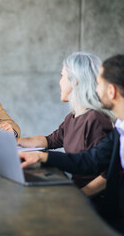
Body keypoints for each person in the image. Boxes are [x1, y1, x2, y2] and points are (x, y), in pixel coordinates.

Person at [19, 54, 124, 234]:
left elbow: (104, 173)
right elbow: (88, 160)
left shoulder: (99, 121)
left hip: (106, 209)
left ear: (111, 91)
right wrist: (35, 152)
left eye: (99, 85)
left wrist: (77, 197)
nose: (96, 90)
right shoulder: (118, 129)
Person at [17, 52, 113, 197]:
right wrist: (15, 142)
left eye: (62, 75)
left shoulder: (96, 119)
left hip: (93, 200)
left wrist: (80, 197)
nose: (59, 82)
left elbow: (109, 173)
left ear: (76, 81)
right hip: (74, 189)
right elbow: (50, 141)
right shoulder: (72, 117)